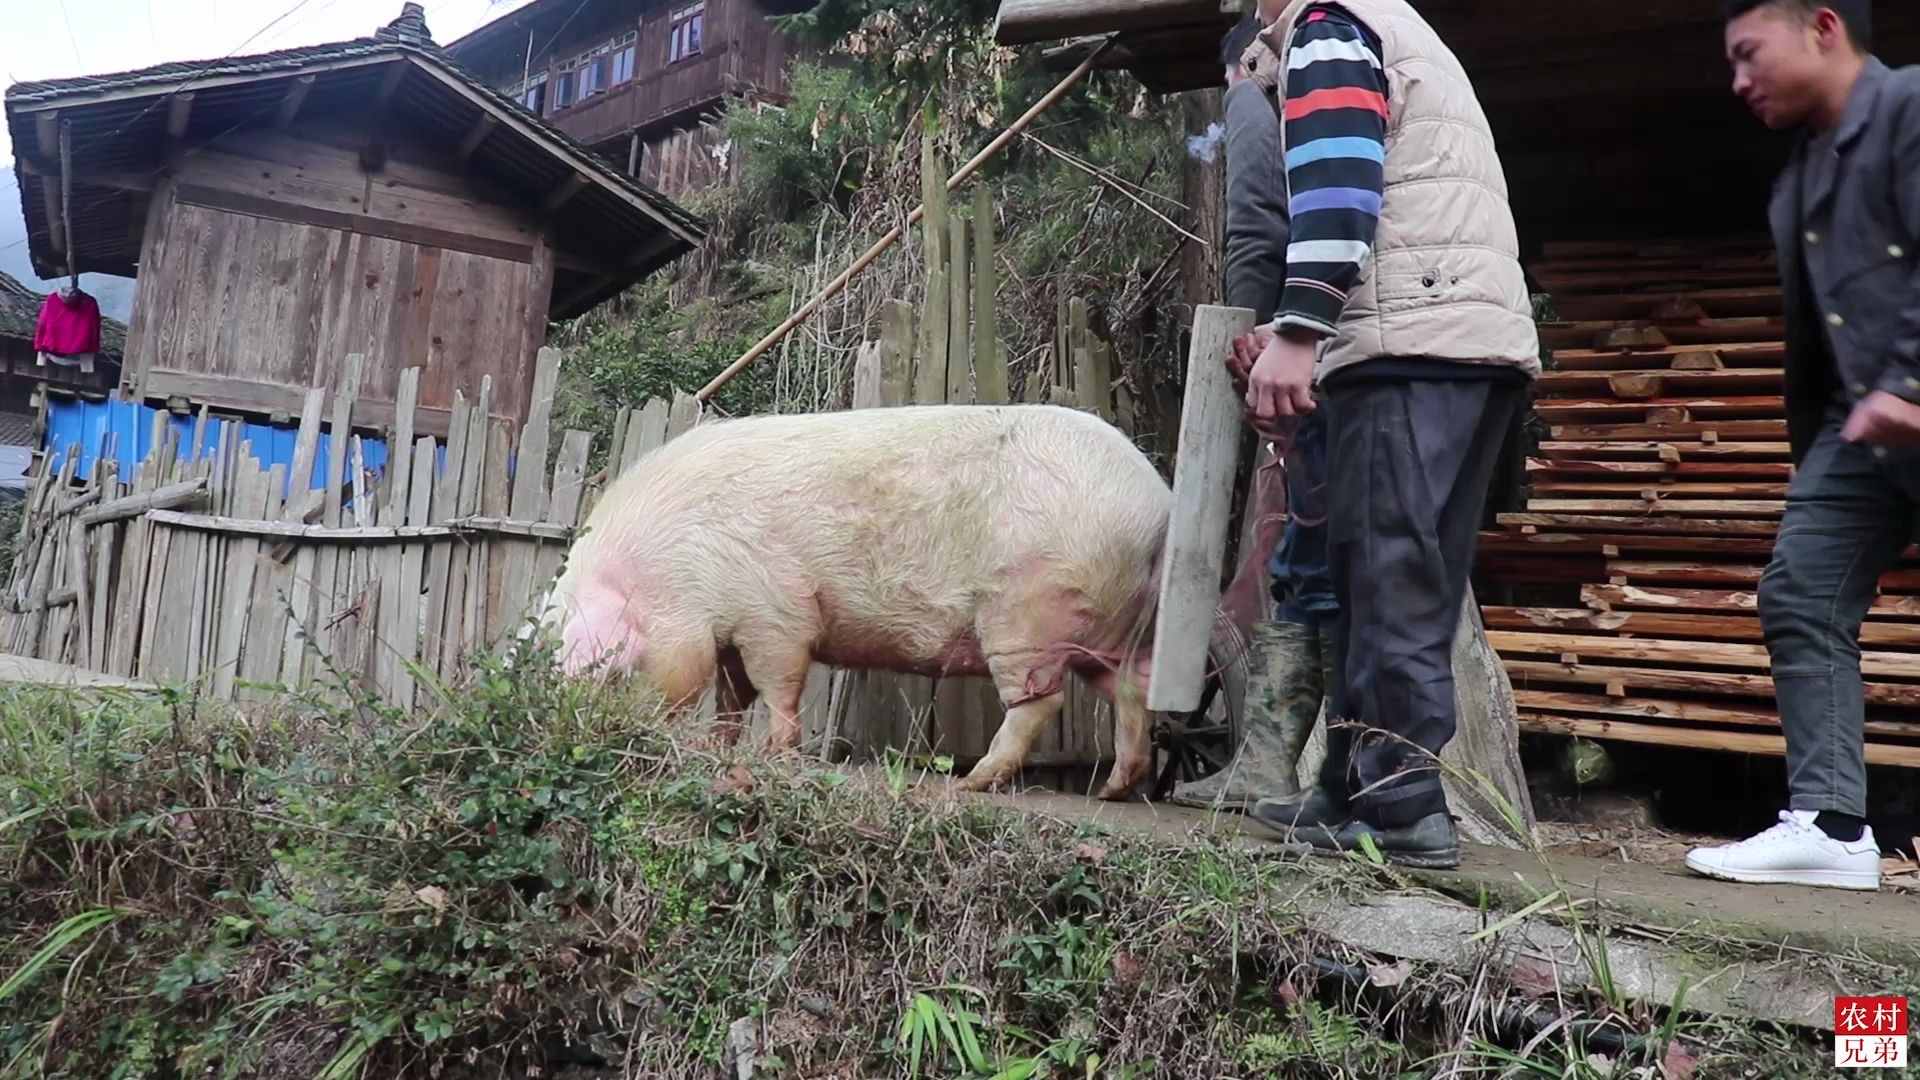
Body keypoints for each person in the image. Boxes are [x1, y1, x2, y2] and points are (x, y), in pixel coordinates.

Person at [1234, 0, 1541, 869]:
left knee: (1387, 570)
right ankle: (1351, 784)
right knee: (1384, 573)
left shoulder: (1330, 25)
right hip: (1460, 334)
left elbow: (1340, 185)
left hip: (1412, 340)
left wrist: (1299, 329)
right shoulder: (1388, 24)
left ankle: (1402, 803)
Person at [1684, 0, 1917, 892]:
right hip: (1860, 429)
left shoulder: (1910, 110)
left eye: (1750, 54)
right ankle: (1831, 826)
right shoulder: (1800, 178)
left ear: (1823, 26)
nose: (1738, 80)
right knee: (1803, 589)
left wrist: (1910, 382)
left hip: (1906, 398)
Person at [1170, 10, 1341, 813]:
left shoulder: (1251, 92)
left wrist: (1251, 335)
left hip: (1300, 350)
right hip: (1340, 335)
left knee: (1302, 555)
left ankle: (1286, 769)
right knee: (1316, 556)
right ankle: (1290, 767)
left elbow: (1254, 224)